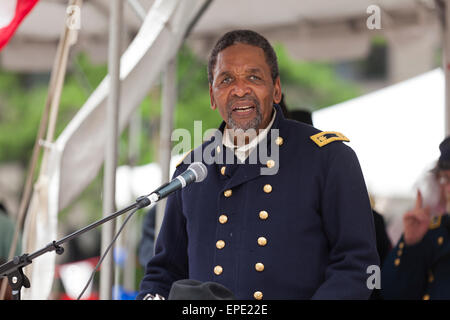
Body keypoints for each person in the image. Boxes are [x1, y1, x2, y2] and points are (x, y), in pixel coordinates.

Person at [137, 30, 379, 300]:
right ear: (212, 95)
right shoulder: (192, 170)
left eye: (254, 77)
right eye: (226, 79)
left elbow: (356, 264)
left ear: (276, 89)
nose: (240, 89)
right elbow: (164, 272)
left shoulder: (327, 158)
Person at [381, 136, 450, 300]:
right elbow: (389, 293)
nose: (448, 188)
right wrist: (410, 245)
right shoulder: (433, 233)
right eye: (446, 178)